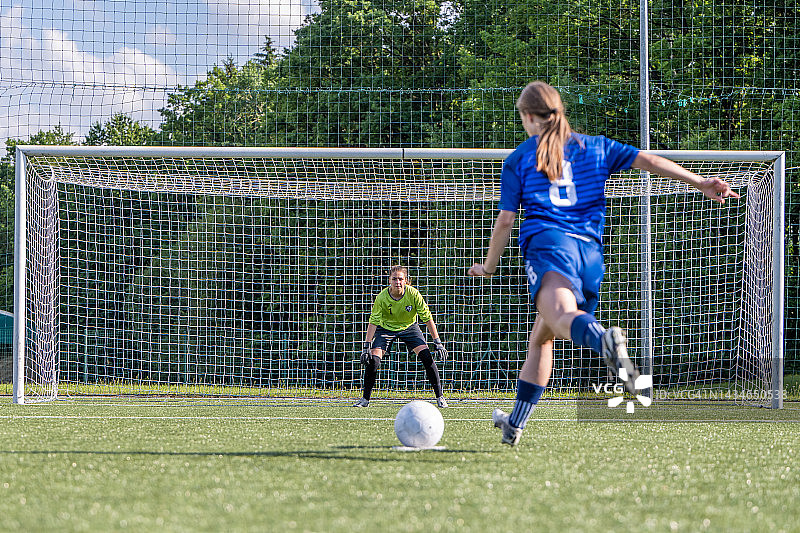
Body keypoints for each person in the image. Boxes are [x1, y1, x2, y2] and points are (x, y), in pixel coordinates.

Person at [468, 81, 740, 445]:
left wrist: (488, 267)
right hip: (591, 255)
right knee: (542, 338)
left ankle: (605, 339)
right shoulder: (595, 147)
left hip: (550, 246)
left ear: (530, 117)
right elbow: (649, 160)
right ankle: (515, 423)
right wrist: (700, 182)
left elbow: (505, 220)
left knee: (563, 318)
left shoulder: (519, 159)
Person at [354, 265, 449, 408]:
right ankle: (365, 399)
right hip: (385, 329)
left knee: (426, 356)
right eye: (394, 279)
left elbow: (427, 318)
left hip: (410, 328)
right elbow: (373, 322)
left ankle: (440, 397)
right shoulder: (382, 297)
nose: (397, 282)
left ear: (406, 281)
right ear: (389, 281)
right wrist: (366, 346)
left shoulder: (414, 294)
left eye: (400, 279)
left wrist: (438, 342)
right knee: (373, 360)